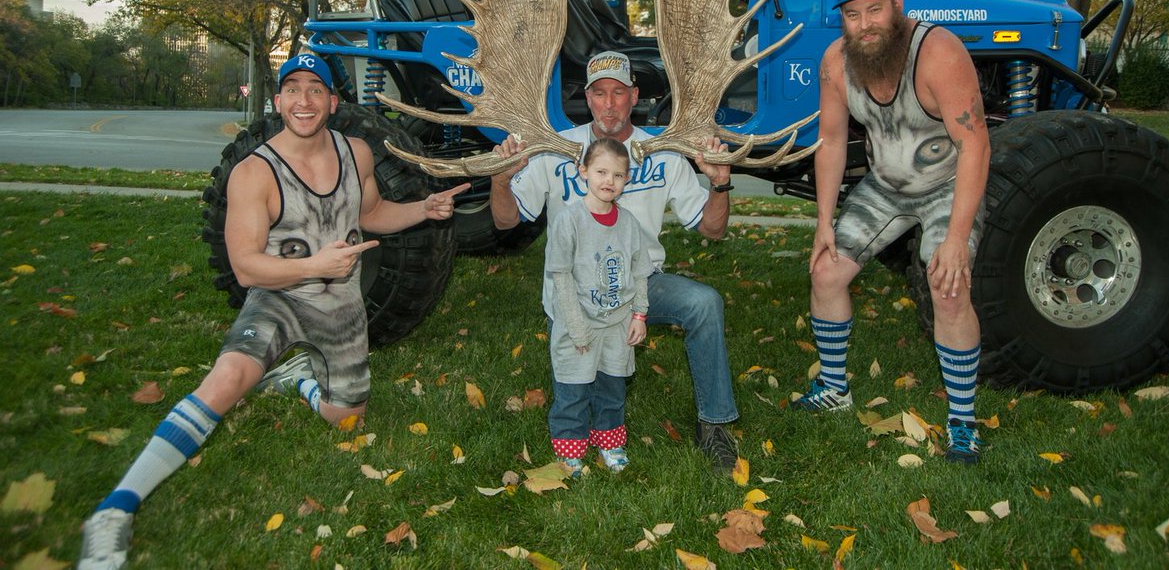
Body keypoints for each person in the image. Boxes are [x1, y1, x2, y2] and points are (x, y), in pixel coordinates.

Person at [78, 54, 468, 569]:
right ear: (278, 100)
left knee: (346, 419)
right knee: (226, 381)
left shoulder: (358, 153)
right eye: (292, 89)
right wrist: (316, 264)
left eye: (315, 89)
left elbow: (371, 213)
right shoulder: (253, 171)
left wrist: (424, 209)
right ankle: (113, 509)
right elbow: (246, 268)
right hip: (279, 298)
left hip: (341, 308)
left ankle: (299, 382)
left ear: (333, 101)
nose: (303, 100)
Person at [490, 50, 741, 472]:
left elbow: (712, 230)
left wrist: (720, 185)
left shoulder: (663, 153)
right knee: (583, 394)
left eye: (619, 93)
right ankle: (583, 434)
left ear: (634, 96)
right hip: (577, 294)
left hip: (639, 285)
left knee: (704, 303)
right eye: (599, 93)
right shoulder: (556, 151)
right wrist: (500, 179)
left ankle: (715, 425)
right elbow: (505, 219)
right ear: (587, 99)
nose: (609, 103)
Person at [790, 0, 991, 464]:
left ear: (897, 4)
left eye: (875, 9)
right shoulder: (837, 62)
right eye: (853, 14)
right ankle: (835, 390)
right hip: (885, 187)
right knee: (826, 273)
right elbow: (832, 142)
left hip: (945, 185)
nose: (865, 24)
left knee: (947, 288)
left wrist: (955, 238)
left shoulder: (938, 53)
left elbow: (975, 146)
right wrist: (822, 224)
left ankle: (964, 421)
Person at [545, 138, 652, 476]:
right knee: (573, 387)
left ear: (627, 180)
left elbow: (639, 272)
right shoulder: (570, 220)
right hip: (580, 321)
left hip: (618, 324)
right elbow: (561, 277)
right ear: (583, 172)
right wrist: (576, 328)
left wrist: (639, 314)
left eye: (618, 175)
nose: (609, 181)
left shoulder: (629, 223)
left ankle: (609, 442)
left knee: (612, 386)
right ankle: (570, 448)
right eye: (601, 172)